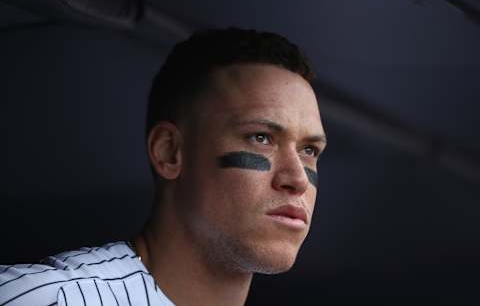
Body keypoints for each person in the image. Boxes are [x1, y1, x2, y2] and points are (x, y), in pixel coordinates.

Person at [0, 27, 327, 306]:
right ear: (169, 152)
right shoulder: (48, 298)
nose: (297, 179)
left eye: (309, 149)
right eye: (261, 137)